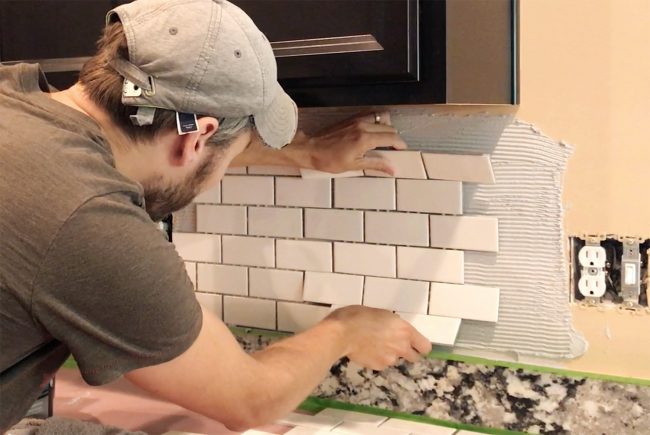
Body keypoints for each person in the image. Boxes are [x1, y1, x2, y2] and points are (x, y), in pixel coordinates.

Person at [0, 0, 432, 431]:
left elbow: (168, 145)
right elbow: (249, 400)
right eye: (233, 154)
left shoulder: (13, 92)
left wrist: (302, 150)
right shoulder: (93, 226)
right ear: (198, 138)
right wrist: (345, 330)